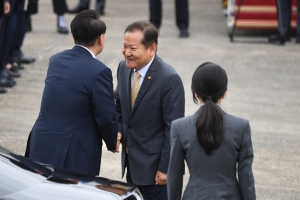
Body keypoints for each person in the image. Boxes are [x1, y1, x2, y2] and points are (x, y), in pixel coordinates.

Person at [25, 10, 119, 176]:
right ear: (101, 39)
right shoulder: (99, 71)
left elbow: (74, 91)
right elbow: (105, 117)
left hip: (41, 143)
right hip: (72, 153)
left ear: (73, 36)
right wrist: (112, 143)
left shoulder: (56, 60)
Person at [115, 21, 185, 200]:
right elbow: (120, 109)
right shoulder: (123, 68)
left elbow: (174, 129)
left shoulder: (169, 79)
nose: (127, 53)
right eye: (124, 47)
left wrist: (165, 168)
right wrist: (118, 129)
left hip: (156, 173)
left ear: (152, 49)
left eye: (133, 48)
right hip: (132, 166)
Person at [167, 62, 256, 200]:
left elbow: (174, 177)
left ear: (196, 94)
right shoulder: (241, 126)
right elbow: (246, 177)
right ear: (224, 93)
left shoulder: (180, 127)